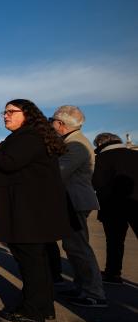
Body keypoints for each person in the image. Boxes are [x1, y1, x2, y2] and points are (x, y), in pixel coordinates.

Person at [0, 99, 71, 322]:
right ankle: (43, 306)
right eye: (4, 111)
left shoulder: (28, 137)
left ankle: (32, 310)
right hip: (32, 209)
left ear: (27, 115)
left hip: (27, 211)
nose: (5, 115)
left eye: (12, 111)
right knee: (37, 260)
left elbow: (9, 163)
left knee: (30, 261)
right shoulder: (29, 137)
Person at [49, 106, 107, 307]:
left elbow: (58, 172)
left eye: (52, 121)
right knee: (74, 246)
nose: (51, 125)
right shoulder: (73, 141)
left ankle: (94, 293)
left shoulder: (75, 144)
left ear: (61, 124)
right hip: (72, 199)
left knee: (79, 247)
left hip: (74, 200)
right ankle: (83, 286)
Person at [92, 132, 138, 285]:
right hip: (136, 202)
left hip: (112, 206)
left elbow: (97, 182)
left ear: (100, 144)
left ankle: (113, 273)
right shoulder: (134, 155)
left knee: (114, 242)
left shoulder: (102, 158)